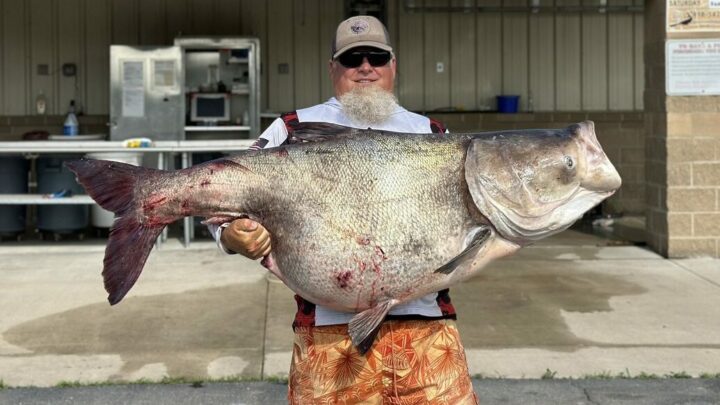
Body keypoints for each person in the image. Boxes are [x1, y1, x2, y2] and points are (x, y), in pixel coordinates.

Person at [211, 15, 478, 404]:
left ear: (393, 66)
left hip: (427, 335)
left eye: (377, 57)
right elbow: (219, 195)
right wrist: (230, 236)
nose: (366, 68)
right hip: (328, 338)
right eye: (353, 59)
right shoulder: (292, 128)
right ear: (333, 68)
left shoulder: (432, 135)